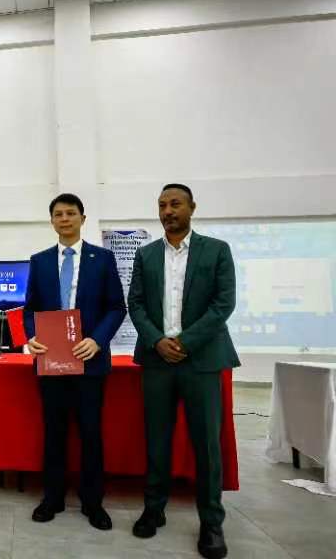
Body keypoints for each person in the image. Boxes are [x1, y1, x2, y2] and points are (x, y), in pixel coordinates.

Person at [128, 183, 239, 559]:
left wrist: (186, 341)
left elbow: (223, 303)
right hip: (157, 360)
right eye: (162, 205)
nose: (167, 211)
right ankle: (153, 510)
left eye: (175, 204)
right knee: (156, 439)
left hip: (202, 361)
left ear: (192, 207)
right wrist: (157, 340)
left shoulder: (217, 250)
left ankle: (211, 523)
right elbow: (136, 304)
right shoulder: (145, 255)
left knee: (207, 445)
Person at [25, 193, 126, 530]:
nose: (64, 219)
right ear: (52, 220)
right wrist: (31, 336)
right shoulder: (39, 261)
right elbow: (30, 309)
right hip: (51, 362)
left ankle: (93, 502)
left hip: (90, 362)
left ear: (82, 218)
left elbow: (116, 307)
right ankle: (52, 498)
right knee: (54, 432)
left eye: (71, 213)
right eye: (58, 214)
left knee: (90, 433)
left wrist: (97, 340)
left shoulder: (103, 259)